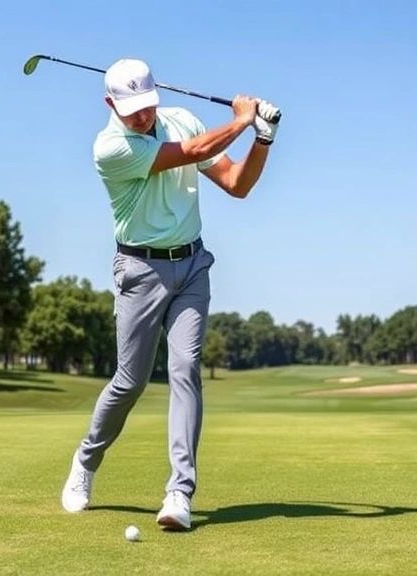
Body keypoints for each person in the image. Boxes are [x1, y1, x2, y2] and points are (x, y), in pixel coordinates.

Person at [60, 57, 280, 531]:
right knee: (131, 381)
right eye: (131, 108)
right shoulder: (111, 147)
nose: (143, 116)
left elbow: (236, 184)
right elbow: (189, 151)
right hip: (139, 270)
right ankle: (87, 459)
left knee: (185, 370)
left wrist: (262, 138)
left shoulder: (181, 119)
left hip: (193, 266)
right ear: (110, 104)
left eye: (148, 105)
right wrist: (242, 118)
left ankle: (179, 493)